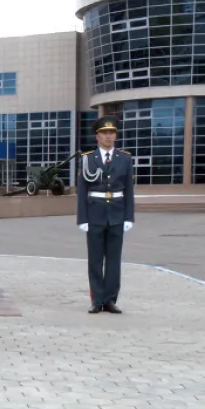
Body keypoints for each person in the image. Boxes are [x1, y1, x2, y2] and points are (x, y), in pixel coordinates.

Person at [77, 116, 135, 315]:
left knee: (114, 261)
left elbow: (129, 189)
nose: (108, 136)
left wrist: (129, 217)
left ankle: (110, 300)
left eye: (112, 133)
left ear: (116, 136)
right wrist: (82, 218)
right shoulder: (87, 159)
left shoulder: (125, 158)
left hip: (117, 214)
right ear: (97, 136)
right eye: (104, 133)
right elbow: (82, 190)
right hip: (94, 214)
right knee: (95, 260)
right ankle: (97, 300)